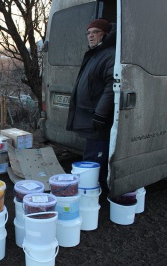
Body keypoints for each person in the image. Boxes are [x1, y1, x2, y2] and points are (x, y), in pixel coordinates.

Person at [66, 19, 116, 193]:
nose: (91, 36)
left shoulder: (109, 54)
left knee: (94, 160)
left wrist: (100, 114)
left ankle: (95, 193)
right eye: (88, 33)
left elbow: (111, 87)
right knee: (92, 156)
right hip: (90, 116)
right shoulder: (96, 53)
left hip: (98, 118)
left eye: (95, 32)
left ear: (105, 34)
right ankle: (93, 190)